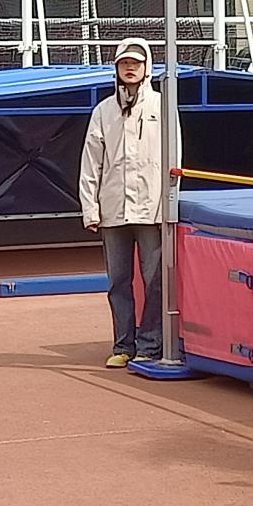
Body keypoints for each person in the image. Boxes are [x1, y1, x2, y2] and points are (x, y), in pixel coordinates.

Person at [79, 38, 164, 369]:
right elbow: (91, 163)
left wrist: (169, 205)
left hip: (152, 208)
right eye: (124, 63)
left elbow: (173, 158)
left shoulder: (161, 106)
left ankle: (150, 345)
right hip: (113, 208)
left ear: (146, 68)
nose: (130, 68)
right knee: (118, 281)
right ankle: (123, 345)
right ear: (116, 68)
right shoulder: (103, 111)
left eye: (136, 63)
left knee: (154, 281)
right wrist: (90, 208)